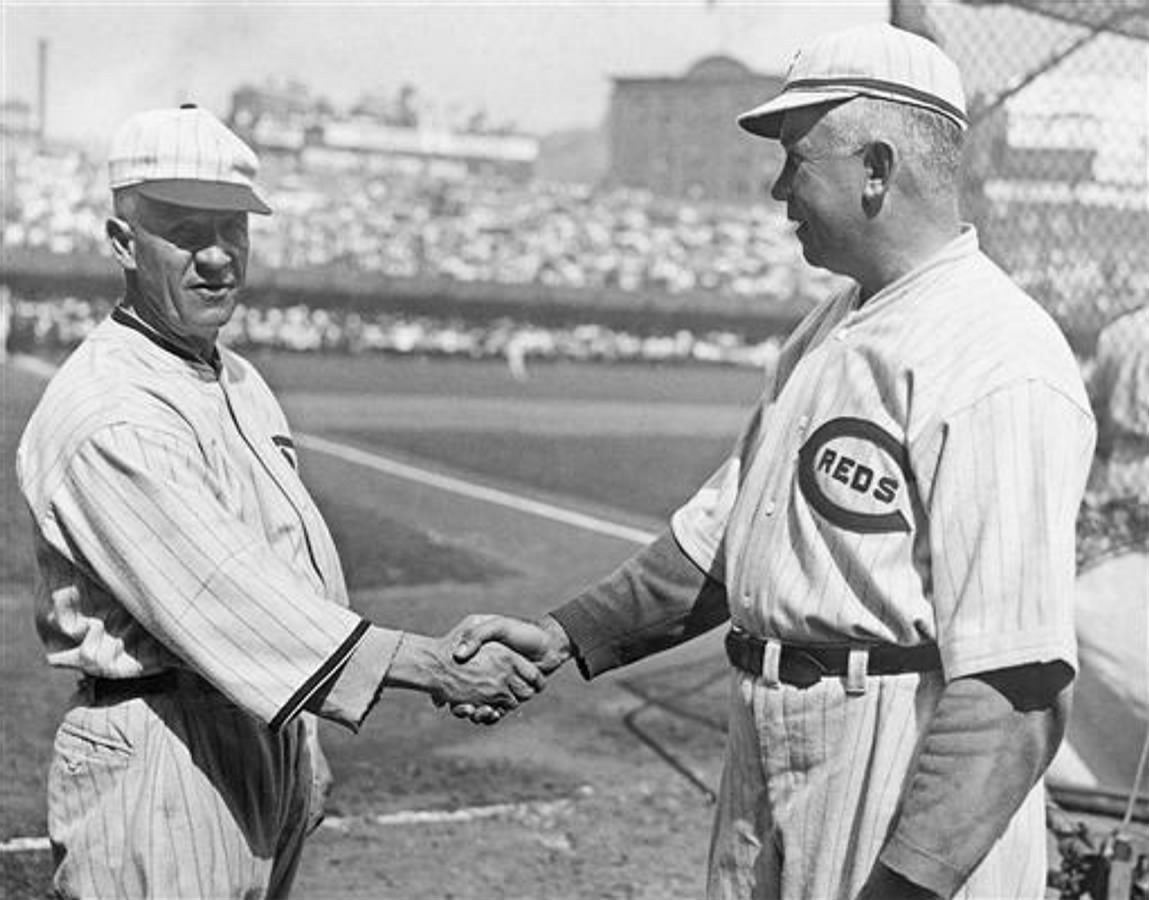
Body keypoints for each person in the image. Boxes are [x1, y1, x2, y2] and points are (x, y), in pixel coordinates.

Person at [452, 23, 1097, 900]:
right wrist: (567, 634)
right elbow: (722, 538)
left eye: (798, 160)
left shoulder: (996, 357)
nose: (776, 187)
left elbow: (1015, 689)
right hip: (773, 740)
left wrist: (905, 888)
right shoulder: (834, 324)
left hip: (892, 756)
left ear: (876, 168)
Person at [15, 105, 544, 900]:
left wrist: (300, 741)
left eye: (234, 228)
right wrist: (431, 665)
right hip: (161, 745)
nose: (220, 257)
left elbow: (280, 565)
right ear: (122, 243)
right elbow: (223, 596)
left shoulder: (237, 378)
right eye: (187, 231)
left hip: (259, 721)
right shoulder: (110, 412)